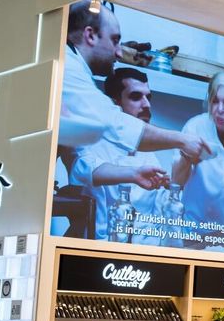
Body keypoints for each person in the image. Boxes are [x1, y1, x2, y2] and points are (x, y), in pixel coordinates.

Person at [59, 0, 211, 161]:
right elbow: (112, 123)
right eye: (115, 41)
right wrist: (182, 140)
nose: (119, 53)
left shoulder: (71, 64)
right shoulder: (68, 67)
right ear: (90, 35)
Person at [70, 68, 169, 242]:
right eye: (136, 97)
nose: (147, 105)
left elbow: (160, 221)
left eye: (148, 97)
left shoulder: (149, 154)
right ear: (114, 104)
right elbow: (98, 234)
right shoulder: (93, 150)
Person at [172, 73, 224, 238]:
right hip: (193, 229)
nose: (220, 109)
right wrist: (187, 158)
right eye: (215, 101)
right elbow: (176, 181)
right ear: (208, 103)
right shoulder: (194, 128)